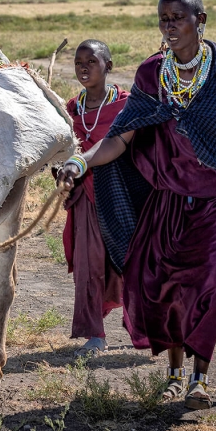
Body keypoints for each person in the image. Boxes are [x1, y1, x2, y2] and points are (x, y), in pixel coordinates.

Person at [57, 0, 216, 409]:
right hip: (170, 197)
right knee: (166, 286)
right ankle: (174, 373)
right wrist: (81, 161)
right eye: (163, 19)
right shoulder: (152, 74)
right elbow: (121, 139)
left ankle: (200, 379)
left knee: (211, 283)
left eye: (178, 18)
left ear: (200, 21)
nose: (169, 27)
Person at [62, 39, 129, 359]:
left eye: (91, 61)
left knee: (129, 262)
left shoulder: (126, 105)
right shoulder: (70, 109)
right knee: (89, 265)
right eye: (78, 62)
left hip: (123, 195)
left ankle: (146, 325)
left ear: (108, 66)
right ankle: (95, 334)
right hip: (85, 198)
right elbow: (60, 149)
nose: (84, 68)